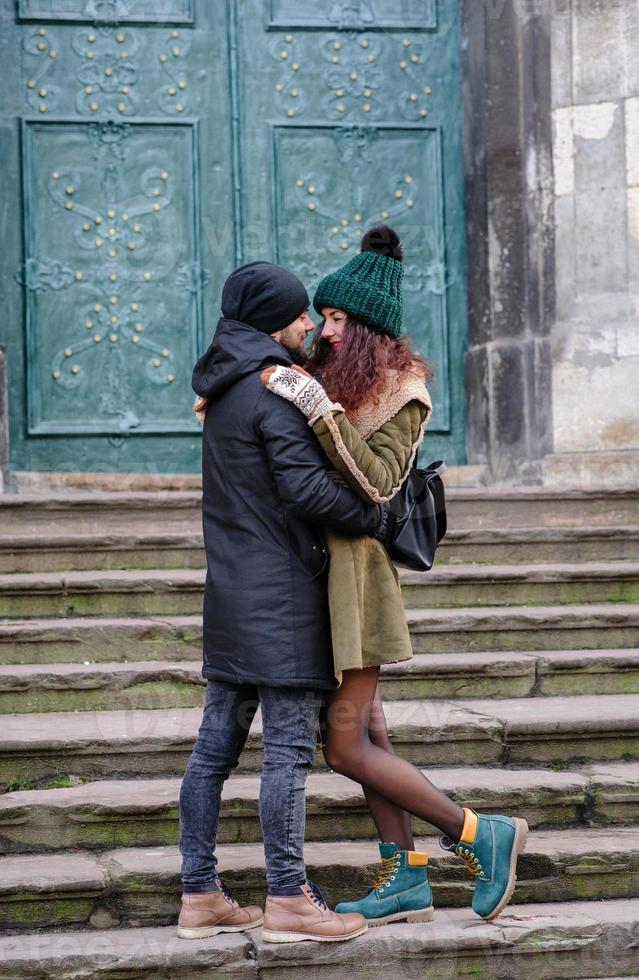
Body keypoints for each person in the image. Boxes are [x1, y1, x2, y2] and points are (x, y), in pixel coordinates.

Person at [261, 226, 529, 927]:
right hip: (313, 576)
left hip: (358, 584)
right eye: (324, 316)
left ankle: (478, 832)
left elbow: (379, 483)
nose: (327, 328)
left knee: (345, 744)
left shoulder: (402, 393)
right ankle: (404, 874)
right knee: (368, 735)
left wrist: (318, 411)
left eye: (341, 318)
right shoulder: (325, 372)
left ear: (371, 326)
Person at [178, 260, 384, 945]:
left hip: (233, 600)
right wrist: (375, 514)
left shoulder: (222, 386)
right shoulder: (274, 391)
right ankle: (290, 898)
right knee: (288, 757)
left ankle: (200, 895)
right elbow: (306, 491)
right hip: (283, 605)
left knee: (212, 753)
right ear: (273, 320)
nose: (308, 326)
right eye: (300, 315)